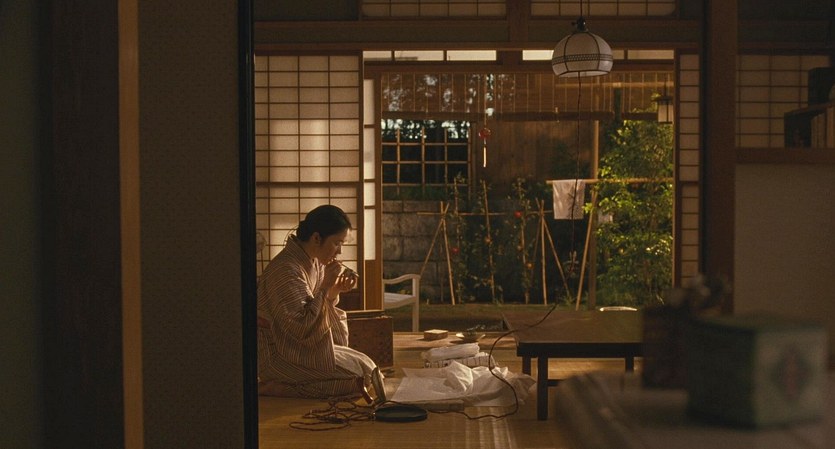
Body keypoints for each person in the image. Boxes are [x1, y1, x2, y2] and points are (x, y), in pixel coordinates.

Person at [256, 204, 384, 401]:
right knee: (358, 380)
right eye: (337, 243)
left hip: (299, 348)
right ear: (316, 238)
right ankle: (277, 386)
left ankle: (287, 384)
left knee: (369, 368)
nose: (339, 251)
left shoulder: (314, 261)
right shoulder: (286, 270)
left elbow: (315, 307)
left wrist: (333, 291)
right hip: (277, 352)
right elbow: (300, 327)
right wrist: (325, 287)